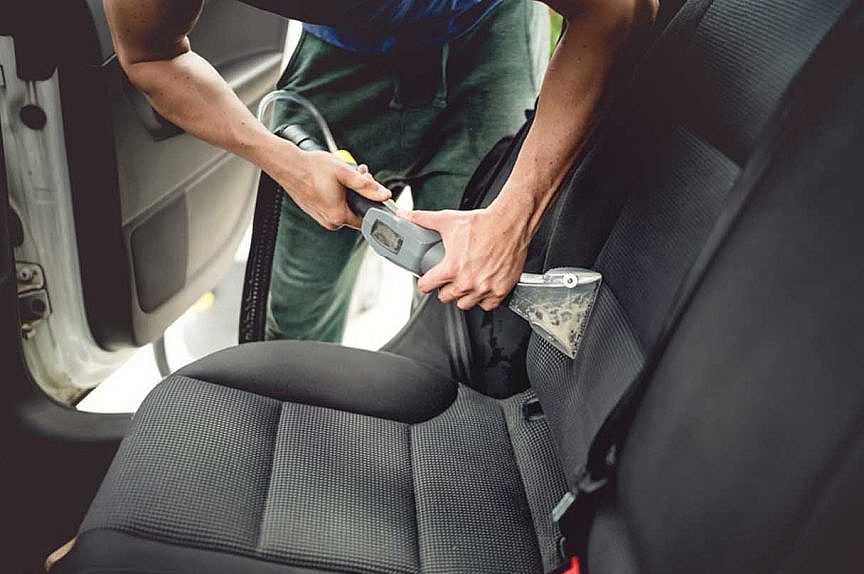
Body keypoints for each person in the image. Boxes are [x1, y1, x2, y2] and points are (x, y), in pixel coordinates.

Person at [104, 0, 656, 339]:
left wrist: (513, 218)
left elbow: (617, 10)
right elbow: (152, 56)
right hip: (340, 56)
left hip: (490, 33)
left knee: (477, 303)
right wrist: (289, 165)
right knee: (297, 310)